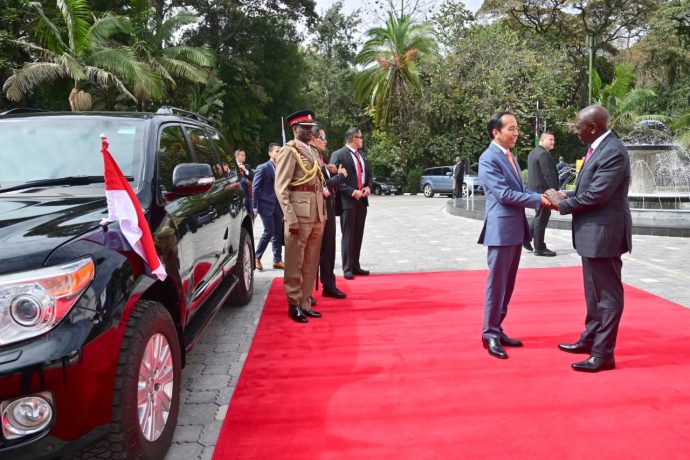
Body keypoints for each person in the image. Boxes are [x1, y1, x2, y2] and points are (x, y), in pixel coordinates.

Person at [544, 105, 632, 373]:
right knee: (593, 294)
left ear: (593, 127)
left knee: (607, 297)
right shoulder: (598, 148)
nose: (575, 131)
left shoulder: (613, 151)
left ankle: (604, 354)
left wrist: (561, 205)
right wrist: (565, 195)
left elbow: (598, 195)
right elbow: (588, 188)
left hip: (604, 236)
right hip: (592, 235)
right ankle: (591, 338)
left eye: (578, 127)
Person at [477, 111, 551, 360]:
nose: (516, 132)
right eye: (511, 128)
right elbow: (504, 195)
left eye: (517, 128)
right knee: (496, 285)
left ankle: (498, 328)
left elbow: (516, 190)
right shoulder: (488, 159)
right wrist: (538, 199)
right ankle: (489, 334)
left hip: (515, 229)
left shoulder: (509, 156)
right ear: (495, 132)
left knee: (508, 285)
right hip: (500, 231)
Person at [274, 110, 326, 323]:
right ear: (295, 129)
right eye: (304, 128)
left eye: (309, 127)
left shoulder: (312, 152)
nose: (308, 130)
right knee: (295, 261)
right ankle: (293, 303)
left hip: (316, 214)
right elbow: (281, 187)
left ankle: (306, 301)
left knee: (311, 262)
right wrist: (290, 217)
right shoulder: (289, 151)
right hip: (299, 214)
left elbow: (317, 183)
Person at [309, 126, 349, 299]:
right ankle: (307, 292)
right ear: (312, 139)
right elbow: (321, 186)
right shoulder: (309, 156)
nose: (325, 141)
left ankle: (328, 284)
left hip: (328, 207)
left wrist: (330, 170)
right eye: (322, 138)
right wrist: (340, 176)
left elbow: (323, 179)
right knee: (315, 251)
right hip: (318, 208)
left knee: (329, 249)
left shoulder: (319, 156)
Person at [330, 127, 372, 280]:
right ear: (354, 138)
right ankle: (347, 268)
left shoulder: (362, 155)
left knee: (358, 234)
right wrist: (352, 192)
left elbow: (369, 174)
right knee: (348, 235)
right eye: (360, 137)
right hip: (348, 201)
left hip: (362, 200)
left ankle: (356, 265)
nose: (362, 140)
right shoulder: (338, 155)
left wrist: (368, 187)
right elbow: (334, 180)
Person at [252, 143, 285, 271]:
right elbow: (255, 188)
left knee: (278, 233)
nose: (279, 154)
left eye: (281, 151)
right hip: (265, 205)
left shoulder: (282, 168)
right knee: (269, 232)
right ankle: (256, 257)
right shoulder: (263, 168)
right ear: (270, 153)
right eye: (277, 151)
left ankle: (277, 260)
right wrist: (254, 207)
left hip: (278, 205)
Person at [526, 132, 559, 256]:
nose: (553, 142)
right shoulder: (544, 154)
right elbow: (548, 174)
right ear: (542, 139)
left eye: (553, 140)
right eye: (550, 139)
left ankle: (525, 238)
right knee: (542, 218)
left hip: (535, 190)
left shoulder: (533, 152)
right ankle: (539, 247)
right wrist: (555, 192)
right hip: (544, 192)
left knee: (539, 216)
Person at [235, 149, 254, 214]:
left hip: (249, 197)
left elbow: (253, 178)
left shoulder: (247, 166)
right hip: (238, 197)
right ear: (237, 156)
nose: (244, 156)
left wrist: (246, 170)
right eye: (243, 155)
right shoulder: (233, 168)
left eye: (245, 155)